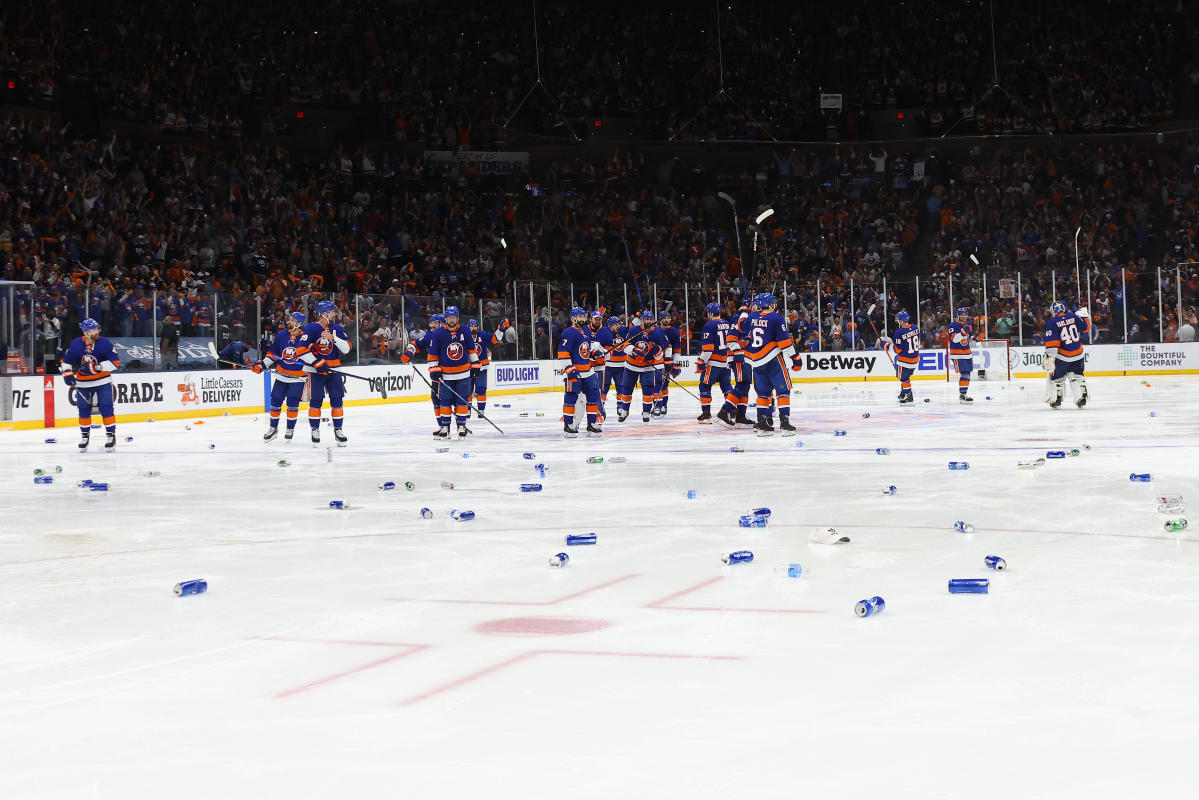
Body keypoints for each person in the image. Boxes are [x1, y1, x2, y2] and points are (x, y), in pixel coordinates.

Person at [59, 317, 121, 450]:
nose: (97, 332)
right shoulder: (76, 344)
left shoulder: (105, 343)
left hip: (103, 381)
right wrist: (67, 373)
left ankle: (111, 435)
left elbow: (115, 363)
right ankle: (84, 436)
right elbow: (65, 361)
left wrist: (98, 367)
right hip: (83, 384)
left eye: (97, 329)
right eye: (94, 330)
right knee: (83, 411)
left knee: (106, 408)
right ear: (86, 332)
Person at [743, 293, 799, 436]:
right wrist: (795, 357)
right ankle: (785, 424)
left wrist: (744, 310)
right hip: (773, 359)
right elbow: (784, 344)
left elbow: (743, 331)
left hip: (756, 362)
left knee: (763, 394)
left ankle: (762, 426)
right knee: (783, 391)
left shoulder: (752, 317)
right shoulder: (777, 318)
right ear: (771, 304)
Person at [302, 300, 352, 446]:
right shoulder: (311, 328)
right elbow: (301, 351)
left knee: (337, 400)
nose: (335, 313)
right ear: (325, 313)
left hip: (334, 370)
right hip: (316, 371)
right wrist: (316, 362)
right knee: (316, 401)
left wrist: (334, 338)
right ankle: (315, 430)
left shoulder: (337, 328)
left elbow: (346, 349)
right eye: (332, 311)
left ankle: (338, 430)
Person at [254, 312, 311, 442]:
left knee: (292, 404)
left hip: (298, 378)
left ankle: (290, 429)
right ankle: (273, 429)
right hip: (281, 376)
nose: (288, 321)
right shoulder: (282, 335)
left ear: (298, 323)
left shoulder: (306, 338)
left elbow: (310, 357)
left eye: (291, 320)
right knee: (275, 402)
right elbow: (273, 354)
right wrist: (263, 365)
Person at [426, 305, 478, 439]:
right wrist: (434, 369)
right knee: (445, 401)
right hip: (446, 375)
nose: (451, 319)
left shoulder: (465, 331)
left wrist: (476, 364)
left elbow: (471, 349)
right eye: (449, 317)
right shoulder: (438, 333)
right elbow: (433, 354)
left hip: (463, 374)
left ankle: (461, 425)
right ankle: (445, 426)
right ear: (446, 318)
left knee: (462, 400)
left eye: (454, 317)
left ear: (458, 318)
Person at [557, 307, 602, 437]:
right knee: (571, 397)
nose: (582, 319)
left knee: (594, 396)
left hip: (588, 371)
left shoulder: (586, 332)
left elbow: (585, 351)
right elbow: (563, 353)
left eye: (583, 316)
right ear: (573, 318)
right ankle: (568, 425)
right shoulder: (568, 333)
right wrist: (570, 370)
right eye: (580, 317)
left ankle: (592, 423)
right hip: (575, 371)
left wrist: (594, 354)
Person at [616, 313, 663, 423]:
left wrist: (655, 350)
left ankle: (646, 412)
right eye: (646, 319)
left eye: (650, 319)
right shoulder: (634, 330)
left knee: (648, 390)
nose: (648, 321)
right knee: (626, 388)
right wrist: (632, 351)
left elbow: (660, 354)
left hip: (647, 367)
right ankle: (624, 410)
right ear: (642, 320)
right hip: (631, 366)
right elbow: (625, 344)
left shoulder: (658, 333)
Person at [401, 313, 445, 430]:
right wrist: (409, 351)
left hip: (450, 373)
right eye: (432, 323)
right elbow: (415, 343)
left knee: (448, 399)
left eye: (435, 323)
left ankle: (459, 424)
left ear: (442, 323)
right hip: (436, 374)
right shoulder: (430, 335)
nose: (432, 326)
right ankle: (442, 426)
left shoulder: (450, 335)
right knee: (436, 397)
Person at [1044, 300, 1091, 408]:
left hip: (1063, 357)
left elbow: (1052, 343)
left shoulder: (1052, 322)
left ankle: (1056, 399)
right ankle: (1081, 396)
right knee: (1077, 376)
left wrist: (1050, 356)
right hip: (1078, 354)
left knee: (1057, 378)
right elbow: (1086, 328)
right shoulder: (1072, 316)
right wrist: (1083, 316)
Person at [720, 302, 756, 427]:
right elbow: (730, 338)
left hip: (746, 356)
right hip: (740, 355)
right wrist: (737, 351)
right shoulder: (740, 317)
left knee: (745, 385)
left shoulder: (751, 318)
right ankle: (724, 412)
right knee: (741, 385)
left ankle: (741, 415)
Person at [696, 302, 733, 424]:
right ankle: (731, 411)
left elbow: (708, 348)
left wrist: (702, 361)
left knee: (704, 386)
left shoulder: (709, 325)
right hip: (726, 361)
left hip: (713, 362)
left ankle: (706, 414)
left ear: (710, 313)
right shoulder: (727, 324)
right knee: (726, 386)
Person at [467, 316, 509, 418]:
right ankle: (467, 410)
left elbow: (495, 339)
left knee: (481, 389)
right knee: (467, 390)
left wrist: (501, 329)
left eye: (475, 326)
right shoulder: (463, 337)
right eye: (471, 326)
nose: (473, 328)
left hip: (481, 368)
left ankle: (481, 411)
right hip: (468, 369)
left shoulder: (482, 335)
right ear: (467, 327)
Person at [885, 310, 920, 404]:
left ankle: (909, 396)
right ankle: (903, 393)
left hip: (904, 361)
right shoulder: (915, 328)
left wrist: (886, 346)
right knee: (906, 376)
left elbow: (897, 350)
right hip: (915, 359)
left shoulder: (898, 332)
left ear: (901, 320)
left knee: (903, 378)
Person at [587, 311, 613, 422]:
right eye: (596, 318)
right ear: (591, 319)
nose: (598, 320)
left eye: (599, 319)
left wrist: (602, 353)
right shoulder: (584, 330)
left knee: (597, 391)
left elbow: (609, 355)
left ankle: (599, 413)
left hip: (599, 367)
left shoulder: (607, 331)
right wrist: (591, 354)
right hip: (585, 367)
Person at [657, 310, 682, 415]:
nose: (666, 320)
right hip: (656, 360)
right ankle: (656, 405)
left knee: (664, 385)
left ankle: (663, 405)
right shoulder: (655, 330)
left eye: (668, 318)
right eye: (664, 318)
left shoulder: (674, 331)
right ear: (660, 320)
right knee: (654, 384)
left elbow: (676, 351)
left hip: (668, 361)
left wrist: (674, 364)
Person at [947, 306, 974, 403]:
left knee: (967, 374)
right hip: (957, 354)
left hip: (967, 353)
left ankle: (964, 394)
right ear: (957, 316)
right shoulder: (952, 325)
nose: (964, 316)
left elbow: (969, 337)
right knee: (964, 373)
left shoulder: (969, 325)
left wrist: (973, 338)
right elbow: (954, 339)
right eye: (961, 315)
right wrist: (962, 333)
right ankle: (962, 395)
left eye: (965, 315)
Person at [601, 316, 625, 409]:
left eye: (619, 324)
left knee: (620, 386)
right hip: (608, 365)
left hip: (621, 365)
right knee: (605, 386)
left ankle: (620, 406)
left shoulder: (622, 331)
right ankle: (601, 406)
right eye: (616, 324)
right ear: (610, 326)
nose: (618, 326)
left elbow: (633, 328)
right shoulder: (605, 333)